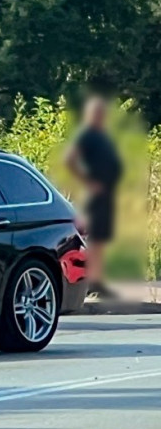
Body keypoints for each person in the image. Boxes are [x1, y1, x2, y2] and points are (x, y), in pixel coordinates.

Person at [66, 96, 123, 299]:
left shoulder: (102, 136)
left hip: (106, 193)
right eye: (97, 112)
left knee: (102, 236)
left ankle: (98, 280)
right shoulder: (87, 135)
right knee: (92, 236)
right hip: (93, 194)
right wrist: (89, 182)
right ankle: (90, 281)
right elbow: (70, 159)